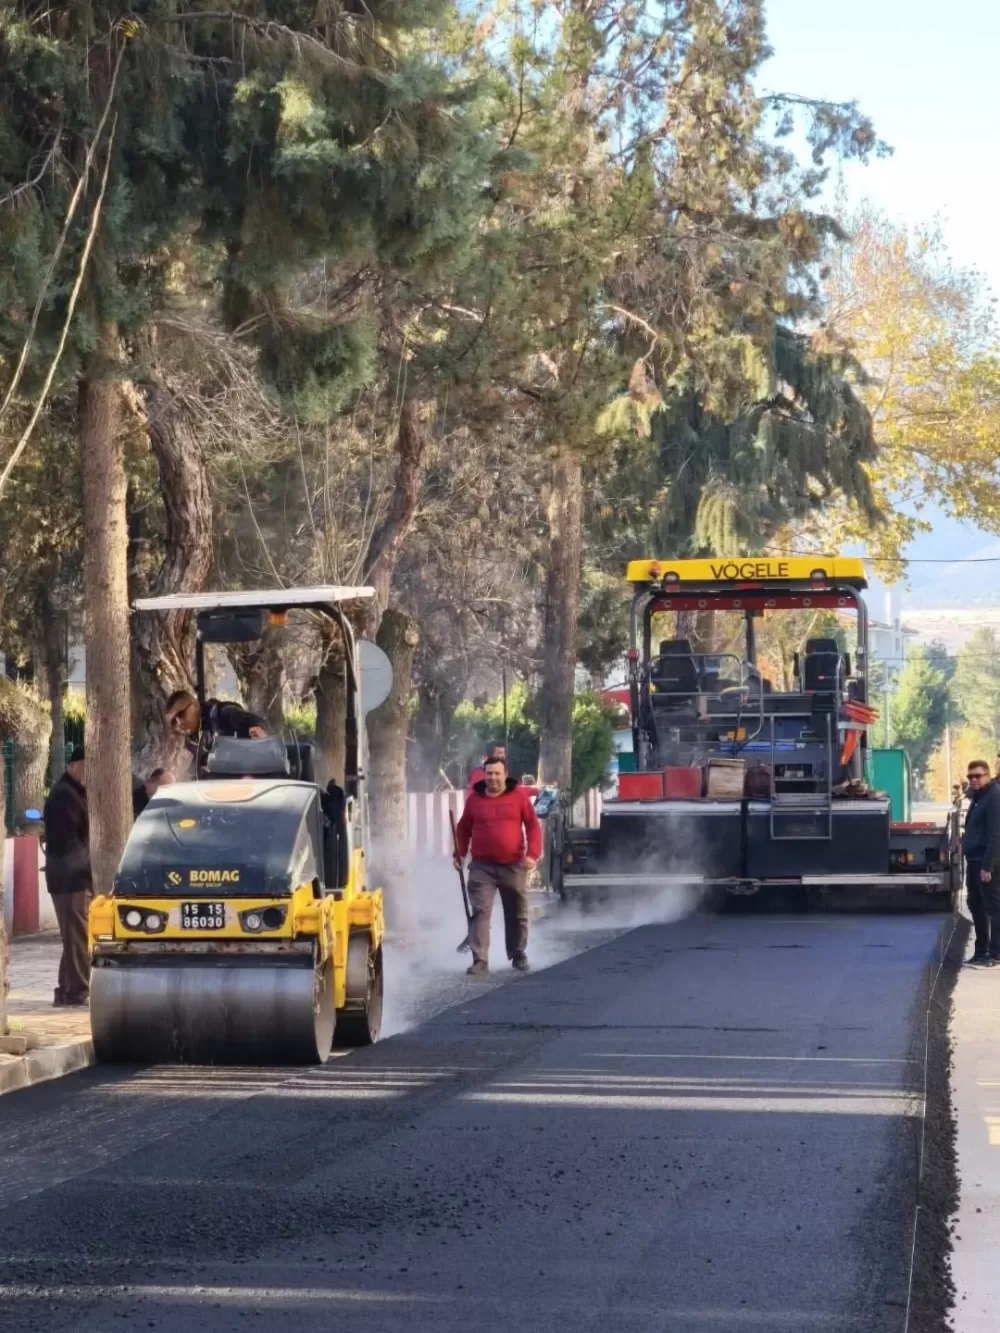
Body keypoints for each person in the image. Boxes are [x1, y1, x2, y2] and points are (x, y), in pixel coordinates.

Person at [454, 755, 542, 976]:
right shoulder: (474, 800)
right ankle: (480, 960)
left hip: (513, 865)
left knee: (517, 911)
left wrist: (532, 854)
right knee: (480, 912)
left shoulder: (518, 796)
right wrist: (459, 854)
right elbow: (463, 829)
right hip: (482, 867)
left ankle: (518, 954)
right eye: (489, 773)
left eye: (496, 773)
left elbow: (533, 826)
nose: (492, 777)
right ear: (484, 775)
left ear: (505, 775)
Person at [42, 746, 92, 1007]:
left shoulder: (76, 792)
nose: (90, 772)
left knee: (73, 937)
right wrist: (90, 865)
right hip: (69, 879)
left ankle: (66, 991)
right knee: (77, 938)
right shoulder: (64, 795)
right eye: (86, 765)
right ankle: (77, 992)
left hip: (74, 876)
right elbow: (67, 842)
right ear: (73, 765)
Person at [962, 759, 1000, 966]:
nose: (974, 780)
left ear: (988, 775)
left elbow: (996, 835)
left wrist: (988, 865)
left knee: (994, 907)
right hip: (974, 860)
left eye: (978, 776)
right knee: (976, 905)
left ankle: (995, 954)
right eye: (970, 776)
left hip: (987, 863)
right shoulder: (978, 797)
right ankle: (981, 951)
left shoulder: (994, 797)